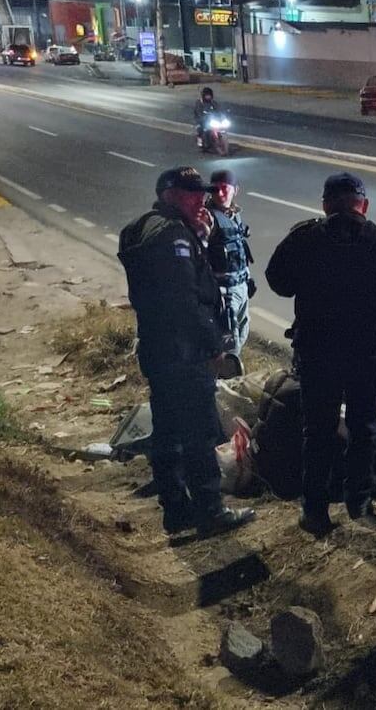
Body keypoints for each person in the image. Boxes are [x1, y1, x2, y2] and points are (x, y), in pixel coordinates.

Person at [265, 172, 376, 536]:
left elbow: (278, 282)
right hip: (368, 354)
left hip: (319, 354)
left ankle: (314, 510)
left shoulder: (304, 238)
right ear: (363, 204)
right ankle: (358, 501)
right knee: (364, 426)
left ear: (326, 204)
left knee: (317, 430)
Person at [118, 167, 256, 536]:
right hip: (183, 351)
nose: (201, 200)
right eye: (192, 193)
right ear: (169, 194)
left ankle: (176, 510)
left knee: (167, 432)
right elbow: (184, 300)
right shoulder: (172, 236)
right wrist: (215, 347)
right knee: (197, 434)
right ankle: (210, 511)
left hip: (158, 348)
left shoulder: (141, 227)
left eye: (202, 193)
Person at [206, 170, 254, 355]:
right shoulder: (207, 219)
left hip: (240, 287)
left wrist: (247, 279)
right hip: (223, 293)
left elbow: (240, 250)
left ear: (236, 190)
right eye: (215, 189)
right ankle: (225, 379)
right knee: (228, 346)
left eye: (224, 188)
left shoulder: (234, 215)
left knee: (242, 333)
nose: (220, 193)